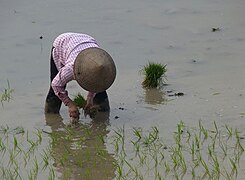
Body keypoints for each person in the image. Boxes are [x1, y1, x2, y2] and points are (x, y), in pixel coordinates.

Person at [45, 32, 116, 119]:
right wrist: (70, 104)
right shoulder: (71, 69)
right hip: (62, 43)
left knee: (100, 88)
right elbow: (56, 84)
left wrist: (90, 98)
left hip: (87, 42)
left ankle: (103, 118)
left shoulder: (102, 64)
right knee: (55, 91)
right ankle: (51, 118)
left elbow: (96, 80)